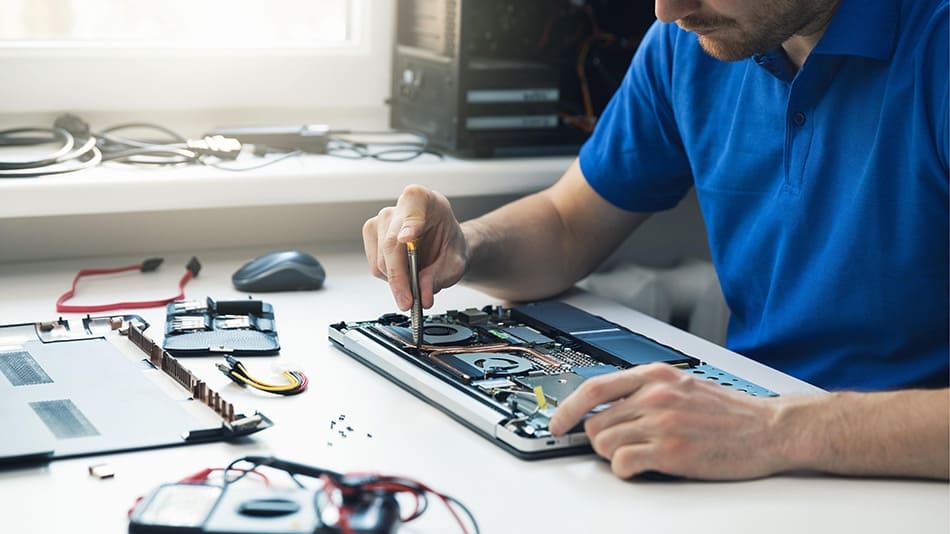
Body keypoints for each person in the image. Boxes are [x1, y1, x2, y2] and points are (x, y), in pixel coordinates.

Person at [363, 0, 949, 480]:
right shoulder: (694, 43)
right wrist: (465, 244)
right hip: (759, 451)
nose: (668, 11)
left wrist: (776, 428)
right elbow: (568, 225)